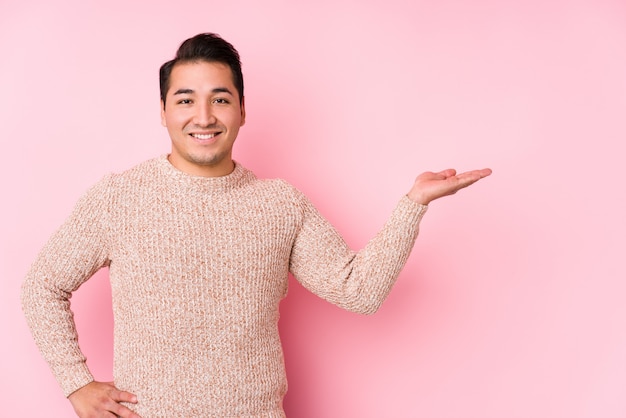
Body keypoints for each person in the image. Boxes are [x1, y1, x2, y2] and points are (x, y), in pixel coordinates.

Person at [21, 33, 492, 418]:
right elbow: (42, 285)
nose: (203, 117)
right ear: (163, 111)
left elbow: (359, 291)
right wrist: (76, 383)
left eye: (220, 99)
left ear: (242, 111)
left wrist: (413, 204)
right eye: (185, 100)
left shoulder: (279, 204)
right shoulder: (118, 198)